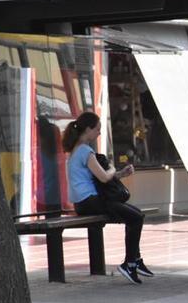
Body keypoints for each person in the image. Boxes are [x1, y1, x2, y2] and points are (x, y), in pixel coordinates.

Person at [62, 111, 153, 285]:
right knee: (136, 217)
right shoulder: (85, 151)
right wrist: (112, 168)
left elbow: (99, 176)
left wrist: (120, 174)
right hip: (91, 201)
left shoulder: (75, 150)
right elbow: (104, 176)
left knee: (134, 213)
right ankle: (130, 263)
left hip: (83, 203)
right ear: (88, 129)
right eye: (97, 129)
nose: (99, 133)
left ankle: (135, 260)